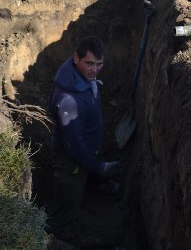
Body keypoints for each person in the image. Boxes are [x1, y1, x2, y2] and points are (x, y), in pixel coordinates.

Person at [45, 36, 120, 239]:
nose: (94, 70)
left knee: (91, 167)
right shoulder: (68, 100)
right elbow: (74, 146)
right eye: (89, 63)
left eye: (99, 64)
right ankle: (49, 237)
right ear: (76, 58)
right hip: (71, 161)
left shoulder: (83, 77)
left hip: (89, 145)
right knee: (66, 204)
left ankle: (96, 184)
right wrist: (98, 167)